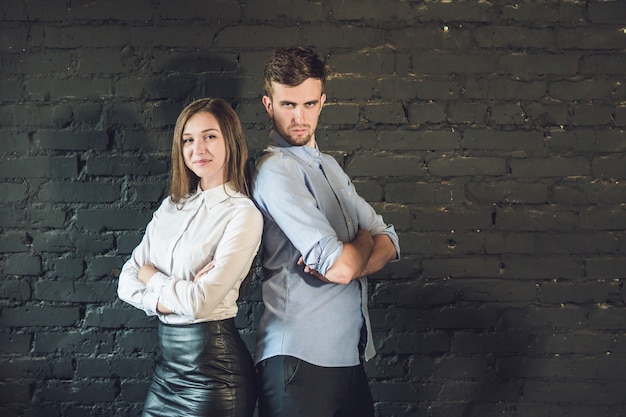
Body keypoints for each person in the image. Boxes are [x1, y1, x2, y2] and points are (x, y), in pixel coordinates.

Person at [252, 46, 401, 417]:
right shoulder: (276, 171)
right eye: (288, 105)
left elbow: (390, 240)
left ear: (322, 102)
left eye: (308, 104)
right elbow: (343, 267)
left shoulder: (330, 167)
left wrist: (358, 251)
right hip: (298, 362)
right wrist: (364, 242)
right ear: (269, 105)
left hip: (346, 359)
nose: (299, 117)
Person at [117, 97, 263, 417]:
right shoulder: (172, 206)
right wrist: (170, 300)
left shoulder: (243, 214)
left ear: (230, 140)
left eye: (209, 136)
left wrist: (152, 277)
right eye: (188, 140)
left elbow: (200, 303)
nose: (198, 149)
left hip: (215, 377)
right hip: (165, 373)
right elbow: (126, 280)